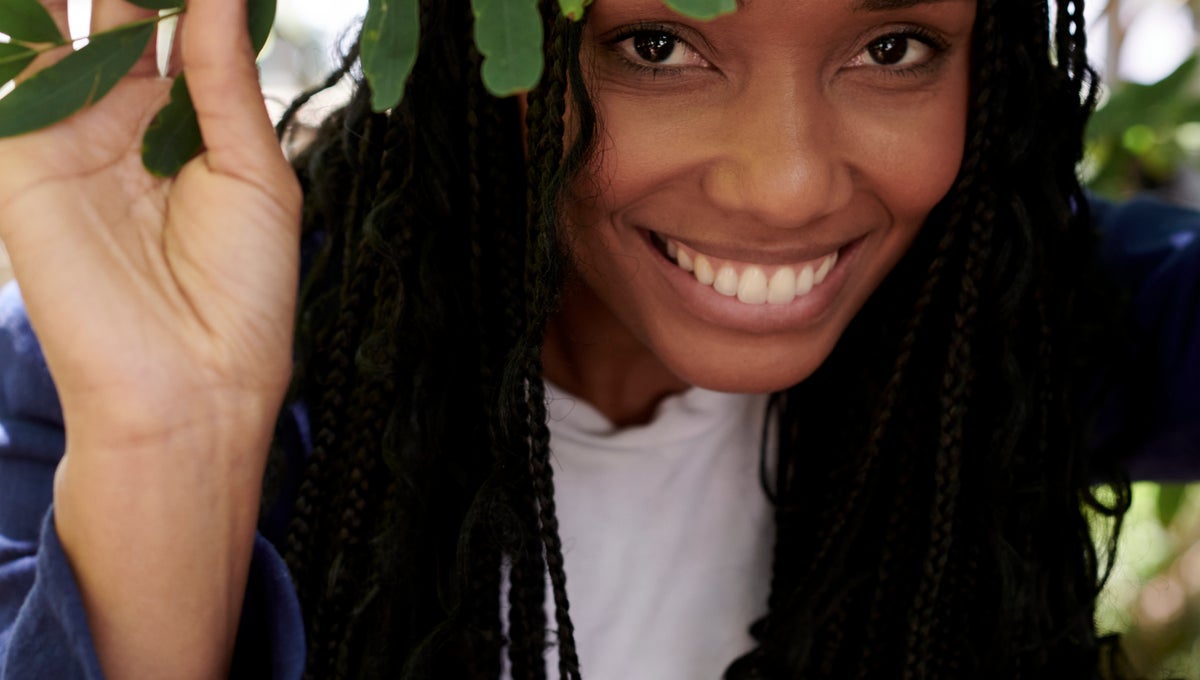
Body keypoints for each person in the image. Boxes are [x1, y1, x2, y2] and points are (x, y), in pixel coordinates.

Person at [0, 0, 1197, 678]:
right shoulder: (84, 392)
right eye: (658, 46)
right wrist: (173, 450)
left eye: (893, 50)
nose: (783, 183)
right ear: (484, 58)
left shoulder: (1008, 319)